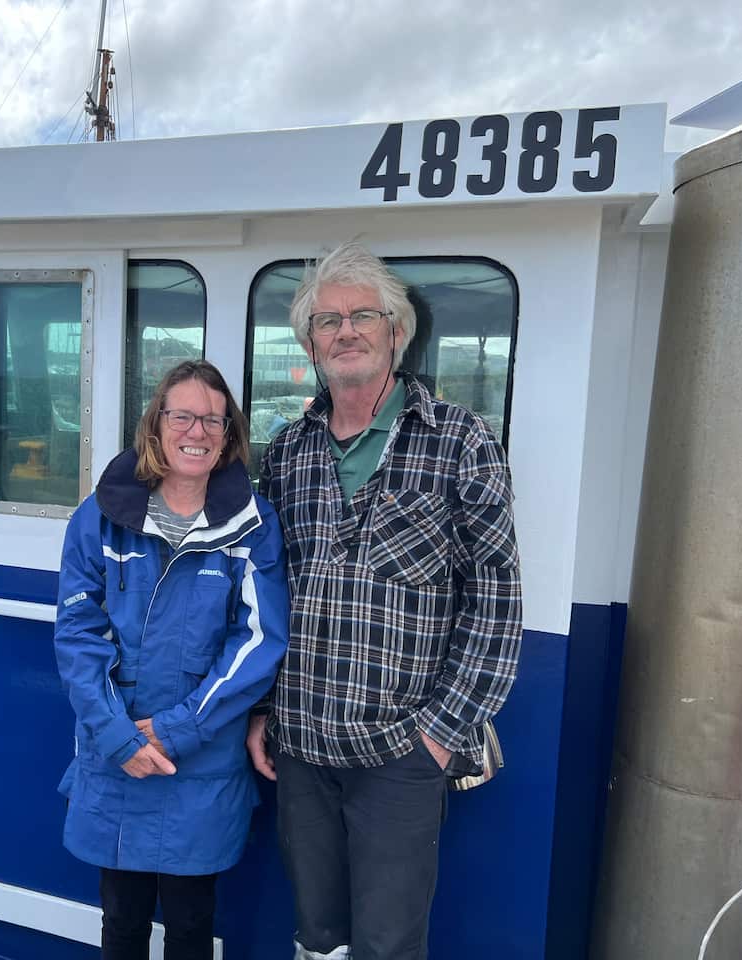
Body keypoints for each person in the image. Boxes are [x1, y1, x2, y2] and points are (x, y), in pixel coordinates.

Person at [247, 242, 523, 960]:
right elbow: (262, 592)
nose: (345, 331)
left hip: (400, 751)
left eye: (362, 315)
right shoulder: (286, 452)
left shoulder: (460, 441)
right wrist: (261, 711)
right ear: (310, 344)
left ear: (396, 331)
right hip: (300, 744)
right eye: (327, 321)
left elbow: (495, 599)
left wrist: (438, 733)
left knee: (388, 946)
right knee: (318, 938)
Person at [55, 359, 289, 960]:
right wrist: (119, 739)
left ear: (230, 435)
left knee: (190, 925)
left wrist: (174, 727)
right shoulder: (99, 519)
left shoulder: (252, 526)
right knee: (122, 918)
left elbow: (259, 640)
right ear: (156, 426)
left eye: (213, 419)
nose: (198, 430)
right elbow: (79, 636)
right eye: (182, 415)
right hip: (117, 754)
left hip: (199, 762)